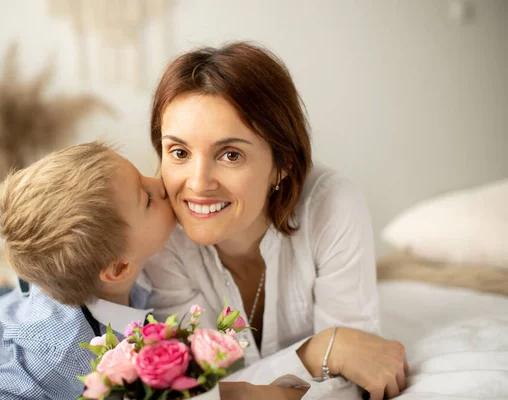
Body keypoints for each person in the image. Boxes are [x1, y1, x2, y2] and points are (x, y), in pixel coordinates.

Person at [144, 42, 408, 400]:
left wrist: (251, 388)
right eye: (179, 152)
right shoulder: (160, 239)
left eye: (230, 154)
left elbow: (356, 374)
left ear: (282, 164)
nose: (198, 182)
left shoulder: (331, 206)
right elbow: (198, 390)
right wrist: (318, 352)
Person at [0, 142, 175, 399]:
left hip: (43, 291)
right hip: (1, 327)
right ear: (119, 268)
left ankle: (2, 288)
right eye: (147, 198)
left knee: (22, 288)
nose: (161, 182)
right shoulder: (60, 356)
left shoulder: (119, 266)